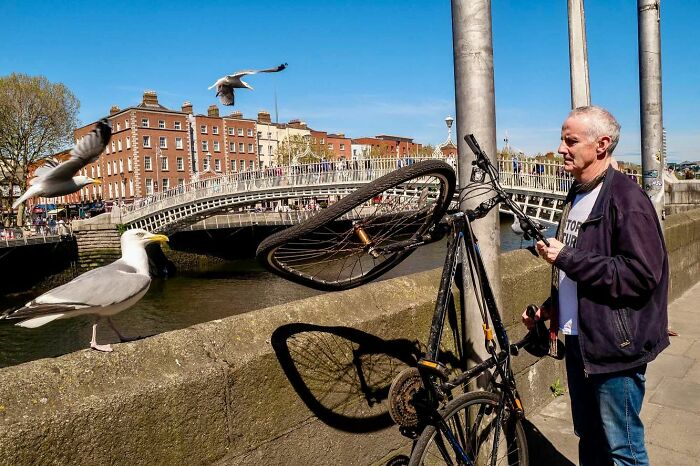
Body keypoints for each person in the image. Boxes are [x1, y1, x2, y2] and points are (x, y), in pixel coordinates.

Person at [522, 106, 668, 466]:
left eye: (570, 140)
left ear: (601, 145)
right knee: (588, 439)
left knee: (624, 450)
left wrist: (567, 259)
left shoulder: (628, 201)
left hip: (614, 347)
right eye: (562, 139)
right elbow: (585, 268)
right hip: (580, 342)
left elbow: (640, 274)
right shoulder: (576, 194)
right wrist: (552, 306)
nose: (560, 148)